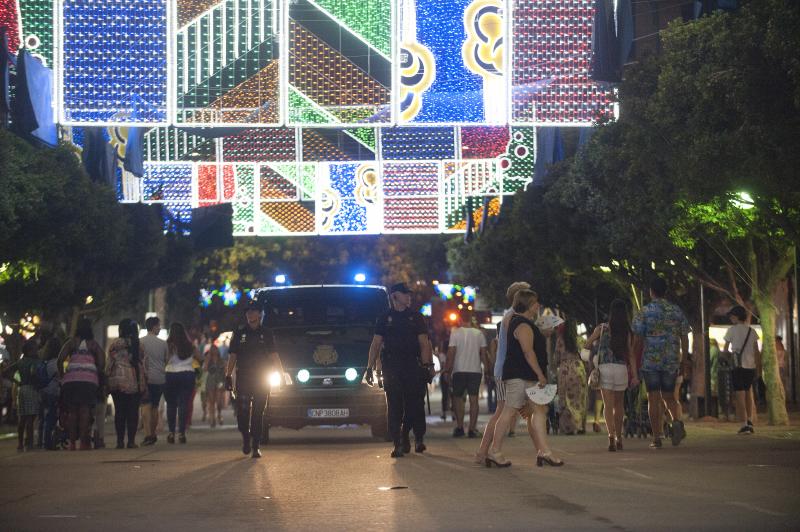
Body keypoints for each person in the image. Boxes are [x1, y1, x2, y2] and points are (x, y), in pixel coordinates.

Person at [487, 289, 563, 467]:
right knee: (509, 412)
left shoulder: (523, 323)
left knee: (538, 411)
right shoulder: (522, 324)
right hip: (520, 376)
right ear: (528, 304)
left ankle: (544, 451)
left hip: (523, 375)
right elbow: (528, 352)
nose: (538, 305)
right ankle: (494, 451)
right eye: (535, 302)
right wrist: (540, 374)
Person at [366, 282, 434, 458]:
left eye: (409, 294)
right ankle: (397, 443)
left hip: (412, 365)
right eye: (405, 294)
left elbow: (424, 343)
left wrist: (427, 366)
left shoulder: (416, 317)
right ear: (395, 296)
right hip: (392, 367)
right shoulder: (384, 318)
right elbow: (376, 344)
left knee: (414, 405)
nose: (409, 297)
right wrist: (369, 367)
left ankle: (411, 434)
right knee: (394, 406)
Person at [476, 281, 534, 463]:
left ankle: (484, 452)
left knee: (503, 412)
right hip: (505, 371)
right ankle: (484, 451)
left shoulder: (510, 316)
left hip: (504, 370)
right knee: (502, 412)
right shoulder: (513, 317)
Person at [632, 277, 691, 449]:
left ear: (651, 292)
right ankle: (677, 421)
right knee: (669, 396)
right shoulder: (676, 311)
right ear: (666, 292)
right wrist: (684, 359)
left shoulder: (644, 312)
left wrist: (634, 360)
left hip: (650, 361)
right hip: (671, 359)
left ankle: (657, 437)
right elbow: (685, 336)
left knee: (653, 398)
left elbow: (637, 339)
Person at [225, 300, 283, 458]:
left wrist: (281, 374)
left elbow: (274, 355)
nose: (250, 313)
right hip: (244, 378)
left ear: (260, 313)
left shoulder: (267, 333)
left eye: (253, 310)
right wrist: (228, 375)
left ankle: (255, 445)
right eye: (248, 311)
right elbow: (233, 356)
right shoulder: (239, 333)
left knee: (258, 413)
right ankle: (245, 437)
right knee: (242, 412)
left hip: (262, 379)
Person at [585, 299, 638, 451]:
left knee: (608, 406)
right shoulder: (627, 330)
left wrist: (595, 341)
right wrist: (634, 375)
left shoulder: (602, 328)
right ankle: (619, 437)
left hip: (605, 369)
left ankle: (610, 438)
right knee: (619, 405)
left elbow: (587, 345)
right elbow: (631, 354)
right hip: (621, 369)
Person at [57, 319, 105, 451]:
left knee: (72, 412)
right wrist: (95, 372)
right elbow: (101, 362)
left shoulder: (71, 342)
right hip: (89, 381)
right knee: (85, 411)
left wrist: (62, 375)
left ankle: (72, 443)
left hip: (71, 380)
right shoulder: (93, 345)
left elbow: (60, 359)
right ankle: (84, 443)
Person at [445, 313, 488, 438]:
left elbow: (451, 353)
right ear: (471, 319)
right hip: (475, 370)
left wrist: (448, 370)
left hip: (459, 370)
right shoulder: (479, 334)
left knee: (458, 399)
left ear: (459, 319)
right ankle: (472, 429)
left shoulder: (455, 333)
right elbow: (484, 355)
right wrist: (489, 370)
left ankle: (459, 427)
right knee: (474, 400)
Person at [107, 319, 146, 449]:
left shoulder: (115, 344)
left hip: (117, 381)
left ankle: (119, 442)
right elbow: (143, 361)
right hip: (134, 381)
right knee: (133, 412)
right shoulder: (138, 344)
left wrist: (106, 378)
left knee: (120, 412)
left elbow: (110, 363)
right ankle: (131, 441)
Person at [723, 306, 761, 435]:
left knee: (740, 395)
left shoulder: (731, 330)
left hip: (738, 366)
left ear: (737, 316)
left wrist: (728, 358)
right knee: (748, 392)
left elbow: (725, 350)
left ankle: (744, 425)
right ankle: (750, 420)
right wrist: (758, 367)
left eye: (732, 316)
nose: (730, 318)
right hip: (750, 366)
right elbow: (757, 351)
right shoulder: (752, 331)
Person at [164, 322, 202, 445]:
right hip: (187, 375)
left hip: (170, 375)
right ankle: (181, 433)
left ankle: (171, 432)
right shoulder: (190, 345)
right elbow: (200, 358)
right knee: (183, 404)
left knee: (171, 405)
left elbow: (165, 360)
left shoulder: (168, 345)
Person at [140, 316, 168, 446]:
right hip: (159, 379)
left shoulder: (140, 342)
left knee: (145, 406)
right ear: (153, 327)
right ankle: (153, 433)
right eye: (158, 326)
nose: (160, 328)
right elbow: (166, 360)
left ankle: (147, 434)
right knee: (155, 407)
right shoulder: (163, 343)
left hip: (145, 379)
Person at [556, 320, 588, 435]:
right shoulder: (580, 340)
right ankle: (580, 427)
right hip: (578, 369)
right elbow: (585, 357)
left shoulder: (560, 341)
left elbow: (557, 357)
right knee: (580, 398)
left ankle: (568, 427)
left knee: (566, 398)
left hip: (565, 370)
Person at [13, 340, 41, 451]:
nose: (36, 351)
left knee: (22, 418)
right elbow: (34, 373)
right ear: (30, 351)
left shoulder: (20, 362)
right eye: (34, 349)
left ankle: (20, 443)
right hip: (31, 388)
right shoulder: (33, 361)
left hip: (22, 388)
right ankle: (29, 443)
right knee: (30, 418)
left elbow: (6, 372)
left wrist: (17, 381)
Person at [39, 336, 62, 450]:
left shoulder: (47, 363)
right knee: (52, 418)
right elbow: (60, 378)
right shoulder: (56, 363)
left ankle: (44, 441)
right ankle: (48, 442)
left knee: (46, 418)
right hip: (54, 392)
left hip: (46, 391)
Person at [204, 333, 226, 428]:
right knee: (211, 401)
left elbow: (225, 369)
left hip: (220, 381)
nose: (214, 351)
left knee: (219, 401)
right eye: (212, 349)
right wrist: (208, 359)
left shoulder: (221, 360)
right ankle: (212, 419)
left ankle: (219, 414)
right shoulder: (208, 359)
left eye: (215, 349)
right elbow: (204, 369)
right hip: (211, 381)